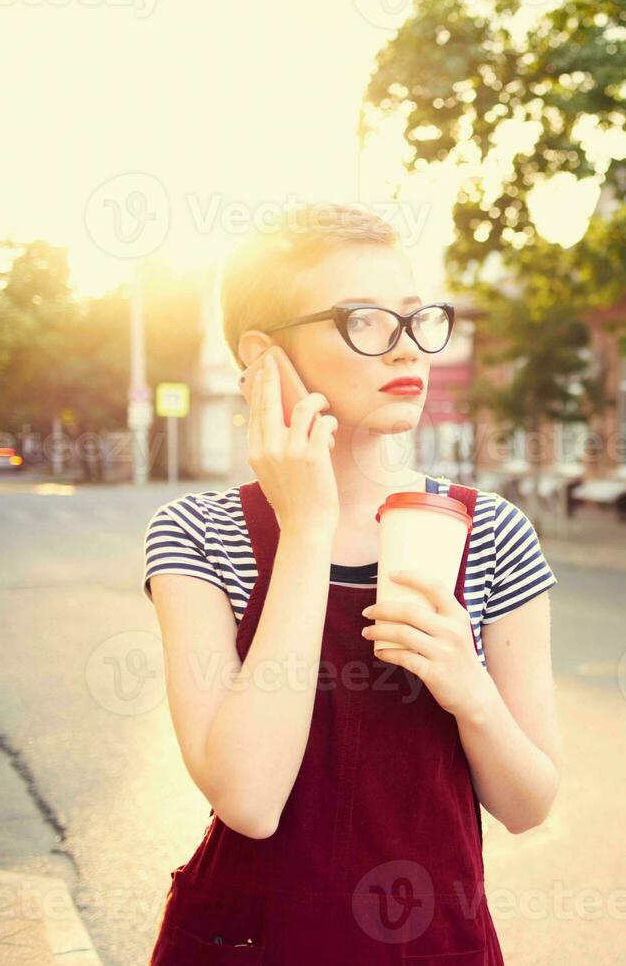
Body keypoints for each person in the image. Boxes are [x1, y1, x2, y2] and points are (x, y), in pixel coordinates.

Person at [141, 203, 560, 964]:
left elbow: (528, 803)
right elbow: (250, 800)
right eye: (366, 321)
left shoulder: (492, 533)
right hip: (250, 941)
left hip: (435, 945)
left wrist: (468, 686)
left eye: (417, 318)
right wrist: (305, 530)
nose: (407, 350)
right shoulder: (198, 534)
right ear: (263, 357)